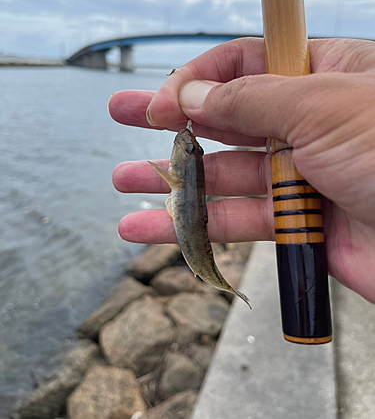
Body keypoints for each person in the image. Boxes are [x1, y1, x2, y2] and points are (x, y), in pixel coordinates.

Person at [108, 37, 375, 304]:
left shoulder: (178, 173)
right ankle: (219, 283)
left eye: (192, 150)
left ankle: (220, 283)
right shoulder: (181, 173)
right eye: (192, 149)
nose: (188, 145)